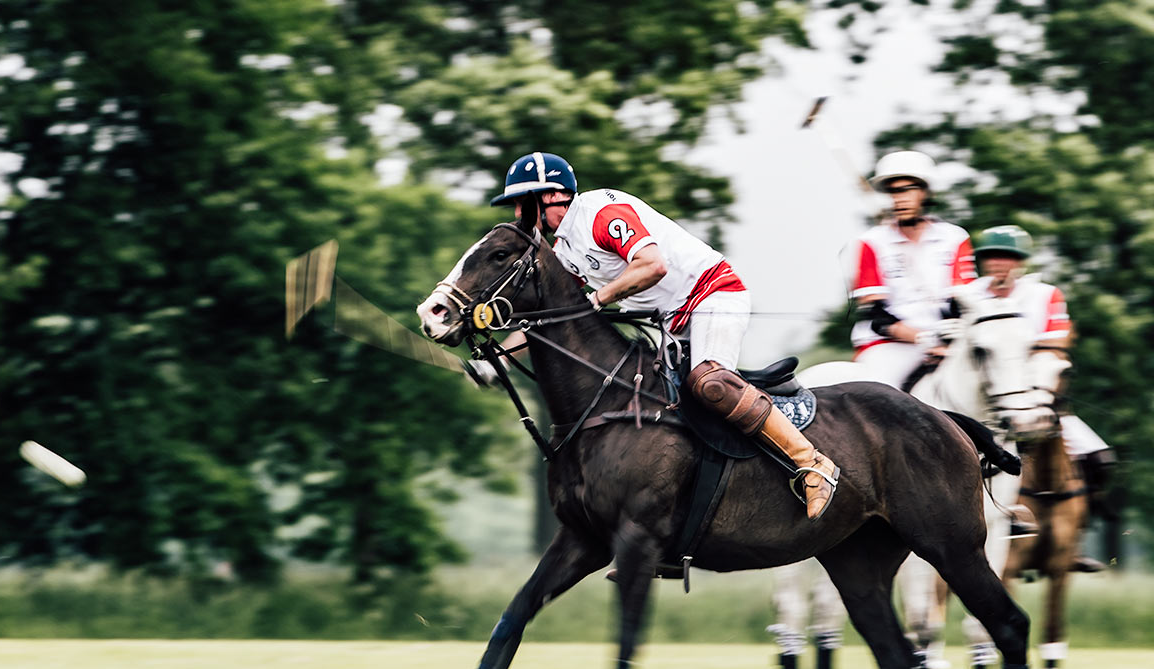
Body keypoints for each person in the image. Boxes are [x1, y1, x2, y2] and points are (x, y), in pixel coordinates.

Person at [477, 151, 839, 519]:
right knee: (653, 403)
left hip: (713, 294)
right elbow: (551, 321)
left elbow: (652, 265)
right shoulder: (565, 250)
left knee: (711, 383)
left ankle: (812, 463)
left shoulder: (601, 214)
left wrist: (597, 299)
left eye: (522, 203)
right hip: (671, 323)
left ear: (553, 196)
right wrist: (497, 363)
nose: (518, 214)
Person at [968, 224, 1115, 566]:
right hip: (982, 401)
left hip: (1033, 393)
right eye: (992, 257)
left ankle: (1074, 536)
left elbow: (1057, 340)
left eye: (1008, 257)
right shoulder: (969, 294)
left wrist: (1020, 358)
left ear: (1020, 261)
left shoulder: (1043, 294)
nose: (999, 263)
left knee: (1099, 458)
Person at [849, 150, 976, 389]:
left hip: (948, 344)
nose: (899, 199)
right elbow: (877, 316)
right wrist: (924, 338)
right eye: (893, 192)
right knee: (881, 396)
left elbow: (961, 302)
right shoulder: (872, 242)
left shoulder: (955, 238)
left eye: (907, 190)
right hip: (888, 347)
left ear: (926, 192)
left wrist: (947, 342)